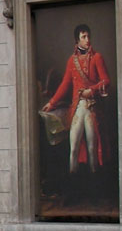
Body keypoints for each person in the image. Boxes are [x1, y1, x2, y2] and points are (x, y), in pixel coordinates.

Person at [42, 23, 110, 173]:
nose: (87, 40)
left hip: (92, 108)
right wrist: (51, 103)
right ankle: (74, 185)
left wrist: (91, 91)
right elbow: (65, 85)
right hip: (77, 108)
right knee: (73, 149)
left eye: (88, 36)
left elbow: (106, 81)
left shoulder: (97, 58)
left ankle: (95, 185)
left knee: (92, 148)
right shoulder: (71, 61)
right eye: (84, 37)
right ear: (77, 41)